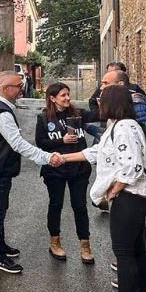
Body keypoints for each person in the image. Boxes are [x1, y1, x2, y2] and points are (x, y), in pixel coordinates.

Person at [52, 85, 146, 292]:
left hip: (130, 198)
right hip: (136, 197)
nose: (97, 102)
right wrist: (63, 157)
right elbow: (96, 152)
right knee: (137, 249)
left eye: (101, 99)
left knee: (125, 253)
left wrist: (114, 190)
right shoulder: (120, 127)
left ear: (111, 103)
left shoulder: (124, 129)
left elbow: (133, 168)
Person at [0, 72, 54, 274]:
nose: (21, 88)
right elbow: (17, 143)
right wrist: (45, 157)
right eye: (18, 85)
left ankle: (0, 246)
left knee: (1, 209)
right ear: (5, 89)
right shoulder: (2, 112)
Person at [35, 82, 94, 264]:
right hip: (55, 170)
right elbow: (41, 143)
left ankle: (85, 245)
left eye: (68, 94)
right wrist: (62, 140)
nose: (67, 98)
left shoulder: (78, 115)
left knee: (80, 206)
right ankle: (55, 242)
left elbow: (100, 112)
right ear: (52, 98)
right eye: (63, 95)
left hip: (79, 169)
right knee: (55, 205)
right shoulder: (44, 118)